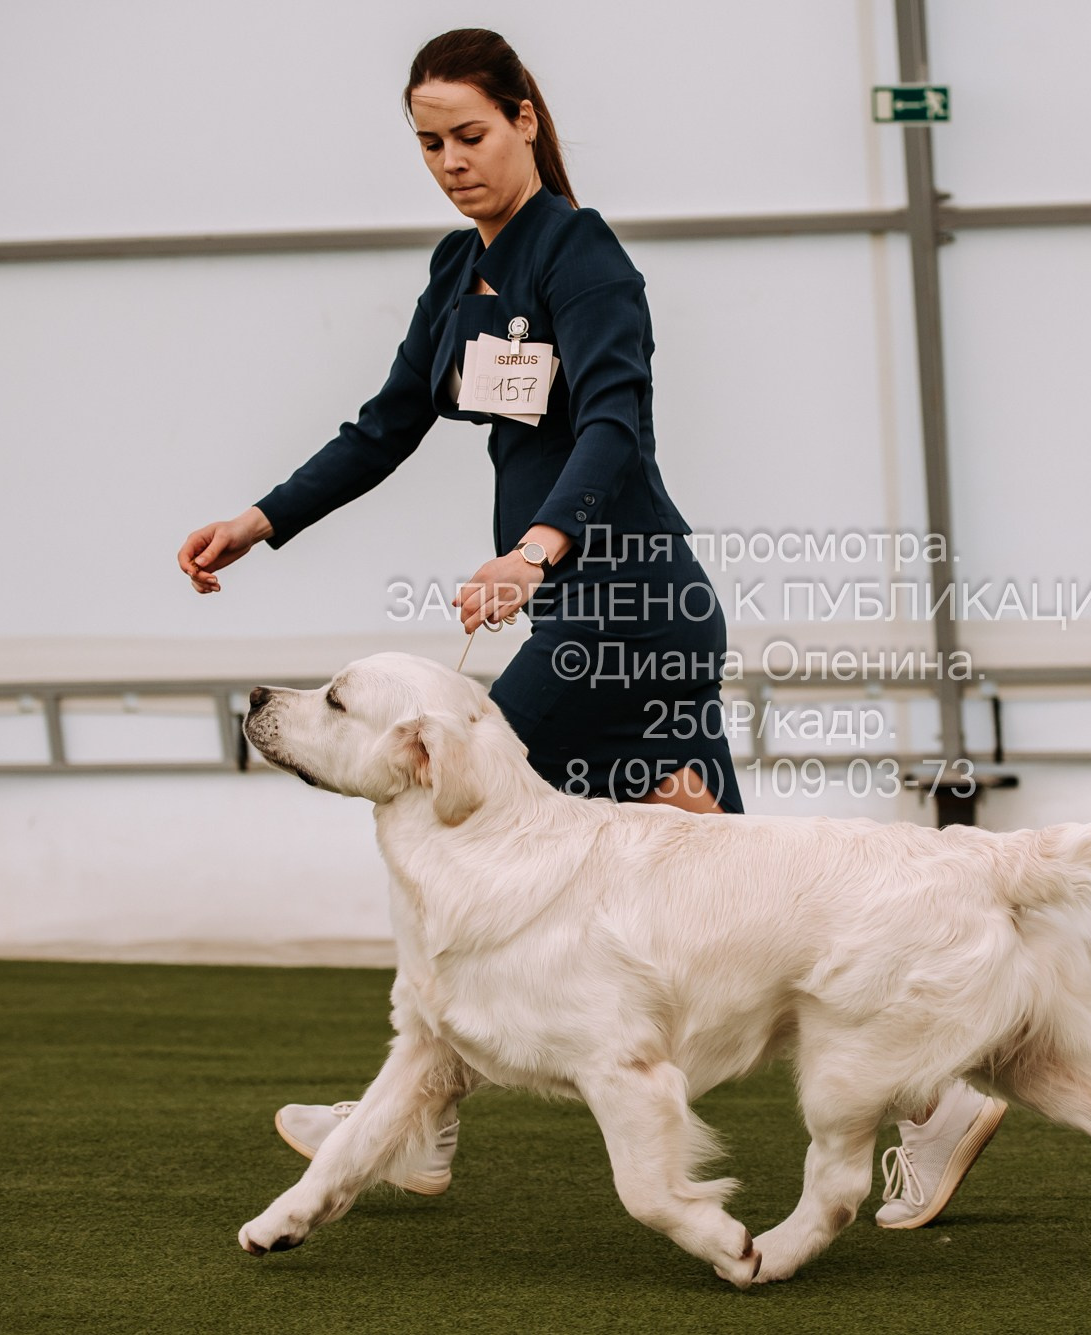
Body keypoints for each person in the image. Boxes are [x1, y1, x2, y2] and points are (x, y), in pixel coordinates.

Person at [174, 27, 1003, 1230]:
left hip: (632, 609)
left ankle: (414, 1119)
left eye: (468, 134)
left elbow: (614, 422)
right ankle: (934, 1097)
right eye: (427, 144)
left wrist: (535, 549)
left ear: (524, 117)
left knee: (445, 810)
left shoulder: (584, 255)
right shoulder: (458, 273)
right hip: (588, 611)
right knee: (733, 887)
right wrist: (259, 519)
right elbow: (384, 424)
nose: (450, 162)